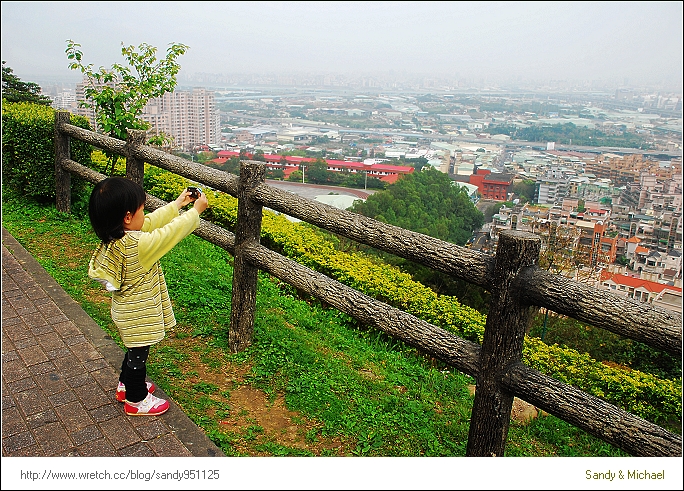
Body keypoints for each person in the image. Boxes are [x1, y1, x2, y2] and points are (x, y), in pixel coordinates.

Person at [87, 177, 208, 416]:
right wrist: (195, 212)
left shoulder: (117, 236)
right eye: (142, 209)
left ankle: (125, 386)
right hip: (138, 315)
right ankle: (136, 399)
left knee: (134, 353)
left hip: (127, 311)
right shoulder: (139, 245)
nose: (146, 214)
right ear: (128, 217)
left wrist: (178, 204)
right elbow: (168, 234)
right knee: (138, 357)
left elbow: (151, 223)